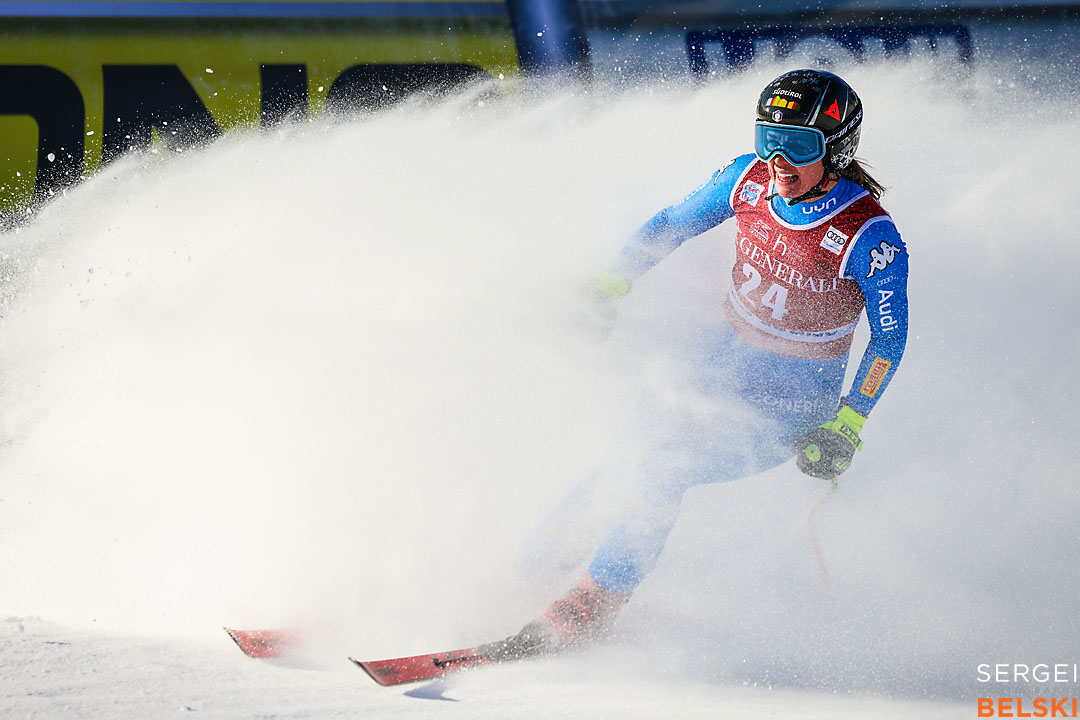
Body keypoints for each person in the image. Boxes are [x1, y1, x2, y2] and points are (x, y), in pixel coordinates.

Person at [501, 68, 910, 658]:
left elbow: (889, 341)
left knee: (663, 470)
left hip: (788, 405)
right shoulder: (747, 181)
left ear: (838, 151)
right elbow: (672, 224)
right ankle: (530, 571)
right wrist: (612, 284)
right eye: (768, 139)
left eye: (798, 146)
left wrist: (849, 422)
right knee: (629, 452)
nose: (778, 160)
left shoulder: (866, 234)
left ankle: (596, 600)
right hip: (718, 366)